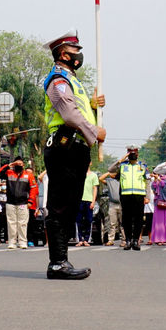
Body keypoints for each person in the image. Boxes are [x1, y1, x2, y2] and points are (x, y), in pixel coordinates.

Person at [40, 30, 106, 279]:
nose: (80, 56)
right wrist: (96, 132)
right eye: (76, 51)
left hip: (76, 147)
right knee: (59, 206)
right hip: (64, 146)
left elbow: (79, 110)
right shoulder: (58, 79)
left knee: (69, 207)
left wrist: (92, 107)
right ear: (64, 54)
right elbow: (68, 114)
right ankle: (57, 263)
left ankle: (62, 260)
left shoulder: (73, 80)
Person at [108, 145, 147, 252]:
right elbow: (110, 169)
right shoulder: (123, 166)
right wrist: (122, 159)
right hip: (126, 196)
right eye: (130, 153)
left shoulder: (142, 166)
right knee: (127, 219)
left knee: (139, 219)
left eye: (134, 152)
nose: (133, 154)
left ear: (138, 154)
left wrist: (147, 196)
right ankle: (128, 240)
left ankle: (136, 240)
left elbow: (147, 181)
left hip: (139, 196)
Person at [0, 156, 36, 249]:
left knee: (22, 223)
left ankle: (23, 242)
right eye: (17, 163)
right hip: (10, 202)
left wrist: (30, 200)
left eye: (20, 163)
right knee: (11, 223)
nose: (18, 165)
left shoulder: (28, 175)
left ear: (23, 165)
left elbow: (33, 188)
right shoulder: (9, 173)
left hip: (23, 202)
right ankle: (12, 242)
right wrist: (8, 165)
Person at [75, 162, 99, 246]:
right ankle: (80, 239)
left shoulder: (94, 175)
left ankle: (86, 239)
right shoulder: (78, 174)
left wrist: (93, 201)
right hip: (79, 200)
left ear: (90, 163)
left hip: (89, 200)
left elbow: (95, 189)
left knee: (88, 220)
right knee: (78, 221)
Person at [99, 171, 123, 246]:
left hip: (121, 203)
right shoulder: (109, 181)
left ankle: (124, 240)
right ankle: (110, 240)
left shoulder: (122, 180)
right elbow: (100, 178)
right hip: (112, 204)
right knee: (112, 223)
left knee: (122, 223)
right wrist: (109, 173)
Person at [150, 173, 166, 245]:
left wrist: (159, 179)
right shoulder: (157, 179)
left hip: (165, 201)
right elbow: (153, 187)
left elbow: (165, 187)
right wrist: (155, 180)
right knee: (158, 222)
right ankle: (158, 239)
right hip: (158, 202)